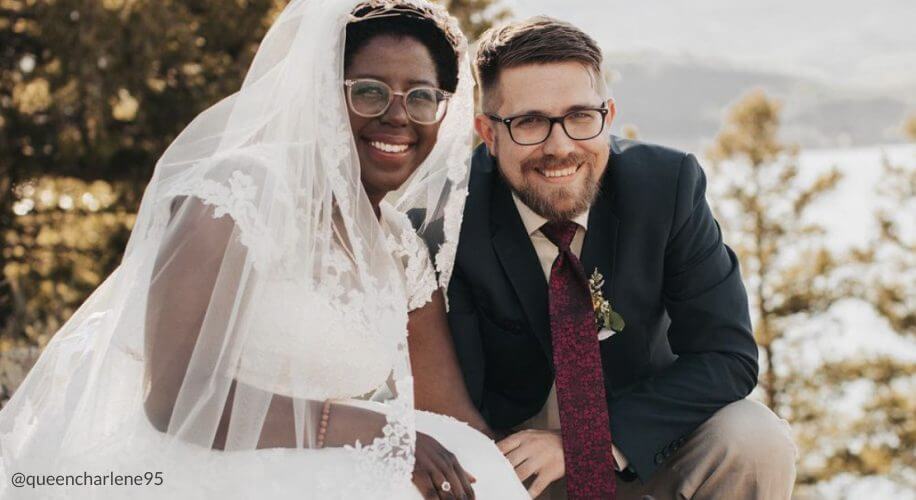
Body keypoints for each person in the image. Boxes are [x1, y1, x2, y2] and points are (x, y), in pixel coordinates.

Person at [0, 1, 528, 498]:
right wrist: (371, 428)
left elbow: (451, 412)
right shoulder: (236, 194)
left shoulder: (398, 246)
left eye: (420, 97)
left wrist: (525, 466)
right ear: (323, 96)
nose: (397, 116)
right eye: (368, 91)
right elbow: (175, 395)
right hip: (200, 471)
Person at [446, 17, 798, 499]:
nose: (561, 146)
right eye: (529, 122)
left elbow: (727, 357)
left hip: (639, 444)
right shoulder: (452, 216)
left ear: (608, 115)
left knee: (755, 437)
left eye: (580, 116)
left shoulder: (667, 186)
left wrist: (587, 442)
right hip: (515, 467)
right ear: (488, 132)